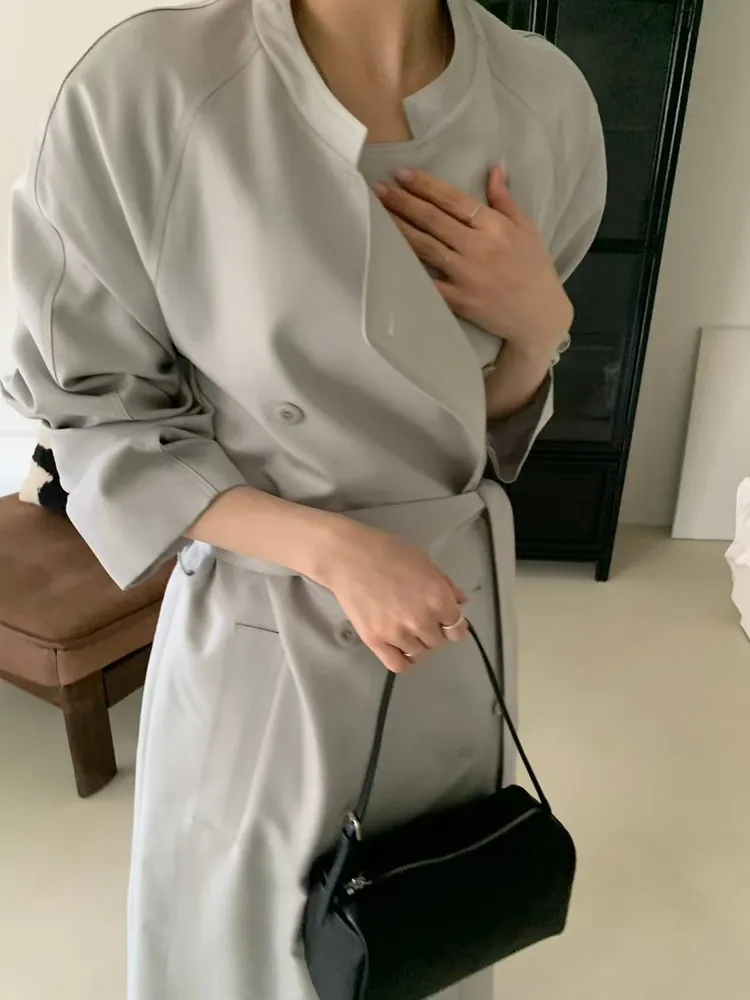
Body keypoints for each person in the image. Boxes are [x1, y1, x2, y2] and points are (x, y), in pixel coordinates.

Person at [2, 0, 606, 997]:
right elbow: (96, 418)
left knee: (425, 924)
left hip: (445, 617)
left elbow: (483, 431)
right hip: (266, 618)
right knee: (249, 953)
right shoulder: (147, 87)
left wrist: (541, 329)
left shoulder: (546, 99)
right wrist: (335, 551)